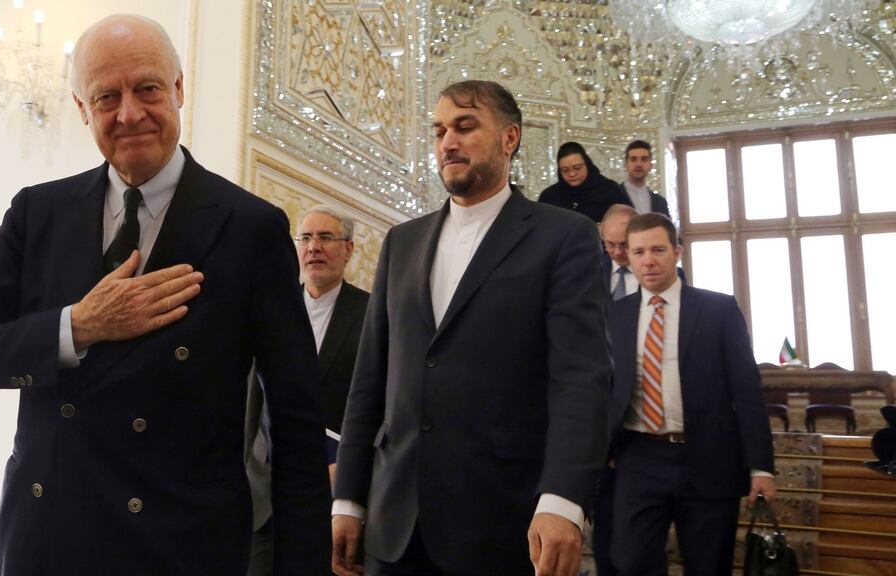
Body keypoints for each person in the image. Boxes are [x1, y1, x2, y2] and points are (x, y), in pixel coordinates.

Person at [0, 14, 330, 575]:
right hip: (46, 540)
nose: (129, 113)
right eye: (106, 96)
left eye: (148, 88)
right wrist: (77, 327)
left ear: (179, 89)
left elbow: (296, 426)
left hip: (181, 545)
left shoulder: (250, 228)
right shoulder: (37, 214)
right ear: (81, 108)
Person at [332, 80, 611, 576]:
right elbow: (369, 381)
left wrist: (564, 498)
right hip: (394, 524)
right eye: (439, 130)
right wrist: (348, 499)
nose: (447, 142)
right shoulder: (401, 243)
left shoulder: (563, 237)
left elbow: (580, 379)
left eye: (465, 126)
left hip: (503, 520)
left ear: (509, 138)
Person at [606, 213, 776, 576]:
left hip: (707, 457)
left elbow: (746, 389)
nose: (647, 260)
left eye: (657, 250)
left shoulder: (718, 309)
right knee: (630, 562)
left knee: (708, 565)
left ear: (677, 252)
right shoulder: (612, 315)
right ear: (628, 258)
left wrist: (761, 466)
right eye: (638, 252)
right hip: (639, 457)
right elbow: (599, 388)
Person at [246, 204, 370, 576]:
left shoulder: (373, 314)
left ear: (348, 249)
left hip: (336, 500)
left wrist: (348, 471)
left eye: (326, 237)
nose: (314, 247)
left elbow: (385, 406)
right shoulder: (271, 311)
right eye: (306, 238)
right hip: (266, 502)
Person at [538, 141, 633, 223]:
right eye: (565, 170)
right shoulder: (550, 196)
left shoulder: (608, 190)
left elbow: (629, 220)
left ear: (587, 164)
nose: (571, 174)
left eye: (577, 168)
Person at [620, 140, 671, 218]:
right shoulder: (613, 196)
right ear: (625, 164)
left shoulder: (660, 202)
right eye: (633, 159)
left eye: (644, 159)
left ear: (651, 165)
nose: (639, 164)